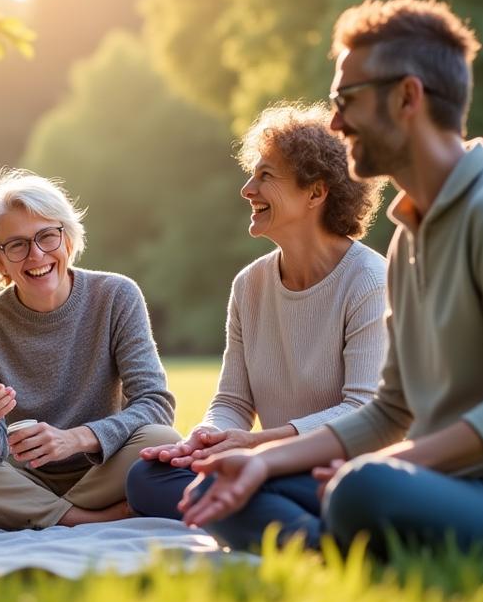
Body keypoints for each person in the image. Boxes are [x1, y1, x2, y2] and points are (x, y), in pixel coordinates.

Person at [179, 0, 483, 554]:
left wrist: (386, 469)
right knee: (227, 485)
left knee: (363, 488)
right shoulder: (411, 234)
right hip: (448, 486)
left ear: (408, 96)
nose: (336, 122)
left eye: (347, 99)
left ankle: (342, 542)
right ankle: (354, 552)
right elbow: (390, 410)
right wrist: (260, 461)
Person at [125, 102, 387, 520]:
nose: (247, 189)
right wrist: (205, 440)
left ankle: (282, 523)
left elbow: (364, 411)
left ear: (316, 192)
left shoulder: (369, 280)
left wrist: (257, 446)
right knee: (147, 477)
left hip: (342, 467)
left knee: (216, 484)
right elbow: (232, 401)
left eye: (266, 176)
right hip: (266, 464)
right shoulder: (250, 284)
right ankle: (264, 513)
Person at [0, 170, 179, 530]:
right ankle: (84, 518)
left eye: (47, 236)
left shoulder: (116, 296)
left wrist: (75, 439)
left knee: (160, 438)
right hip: (25, 477)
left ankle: (32, 514)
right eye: (16, 245)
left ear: (68, 238)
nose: (36, 255)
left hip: (104, 468)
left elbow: (155, 404)